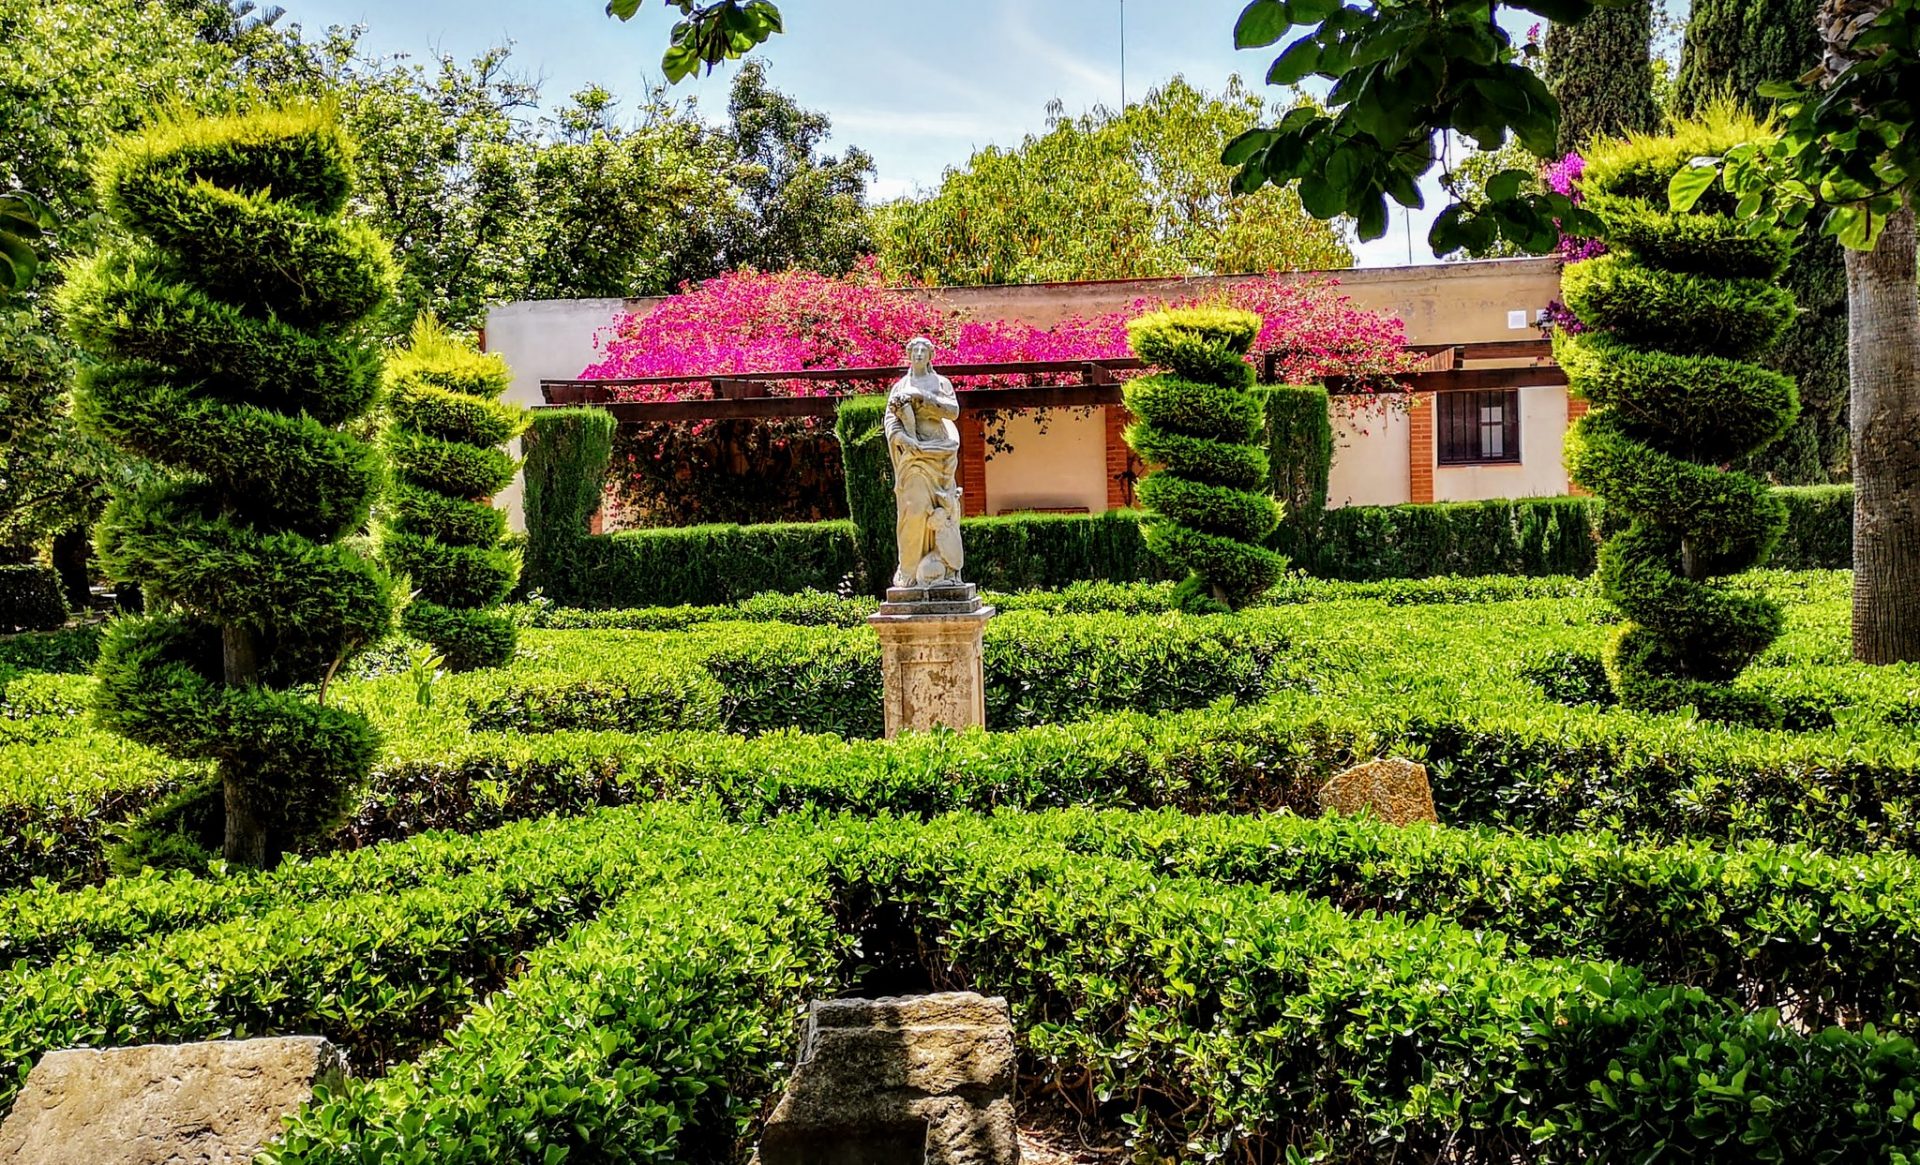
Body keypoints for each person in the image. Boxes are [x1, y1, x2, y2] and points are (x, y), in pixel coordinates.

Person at [883, 338, 964, 587]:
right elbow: (890, 420)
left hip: (939, 453)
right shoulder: (899, 386)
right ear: (908, 354)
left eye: (923, 350)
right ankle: (909, 569)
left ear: (931, 355)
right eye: (914, 350)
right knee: (913, 510)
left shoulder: (941, 383)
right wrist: (902, 438)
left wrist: (923, 397)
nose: (918, 354)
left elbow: (953, 412)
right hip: (913, 457)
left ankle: (945, 568)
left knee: (944, 510)